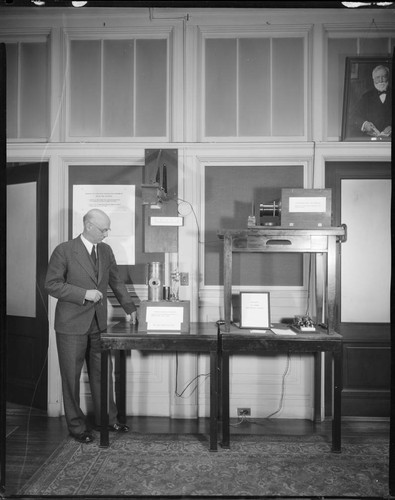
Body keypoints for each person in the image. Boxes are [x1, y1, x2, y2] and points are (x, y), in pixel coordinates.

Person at [45, 208, 137, 443]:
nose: (107, 233)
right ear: (88, 226)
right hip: (70, 326)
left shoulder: (105, 250)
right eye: (104, 229)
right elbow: (52, 284)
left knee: (103, 374)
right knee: (71, 378)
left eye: (108, 229)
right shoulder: (64, 250)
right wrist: (83, 293)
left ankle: (107, 419)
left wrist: (130, 308)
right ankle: (77, 428)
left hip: (98, 324)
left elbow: (116, 280)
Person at [350, 64, 391, 139]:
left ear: (388, 77)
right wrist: (365, 124)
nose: (381, 80)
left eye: (384, 76)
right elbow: (353, 116)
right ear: (373, 79)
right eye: (377, 77)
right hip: (369, 140)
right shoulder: (366, 96)